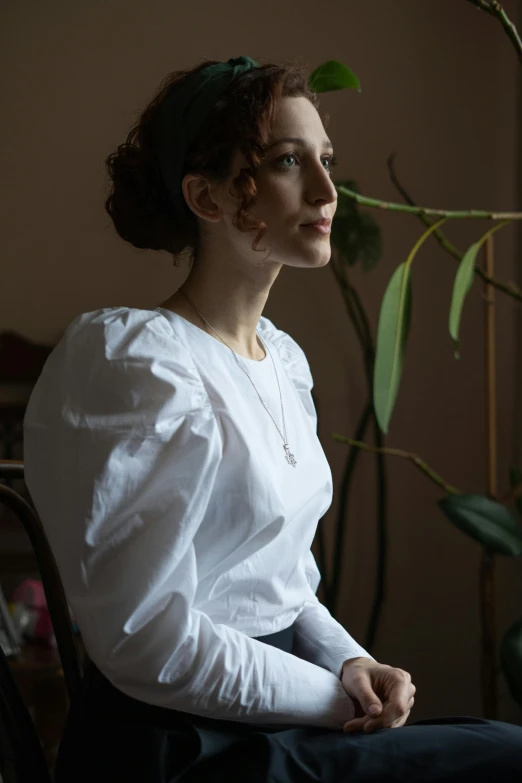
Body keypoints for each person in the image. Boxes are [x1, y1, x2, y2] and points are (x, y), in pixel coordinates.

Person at [23, 55, 522, 782]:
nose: (327, 190)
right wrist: (329, 697)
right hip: (181, 745)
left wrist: (353, 660)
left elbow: (280, 586)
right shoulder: (139, 362)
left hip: (279, 715)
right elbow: (145, 639)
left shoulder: (281, 360)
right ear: (207, 195)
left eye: (327, 159)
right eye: (290, 162)